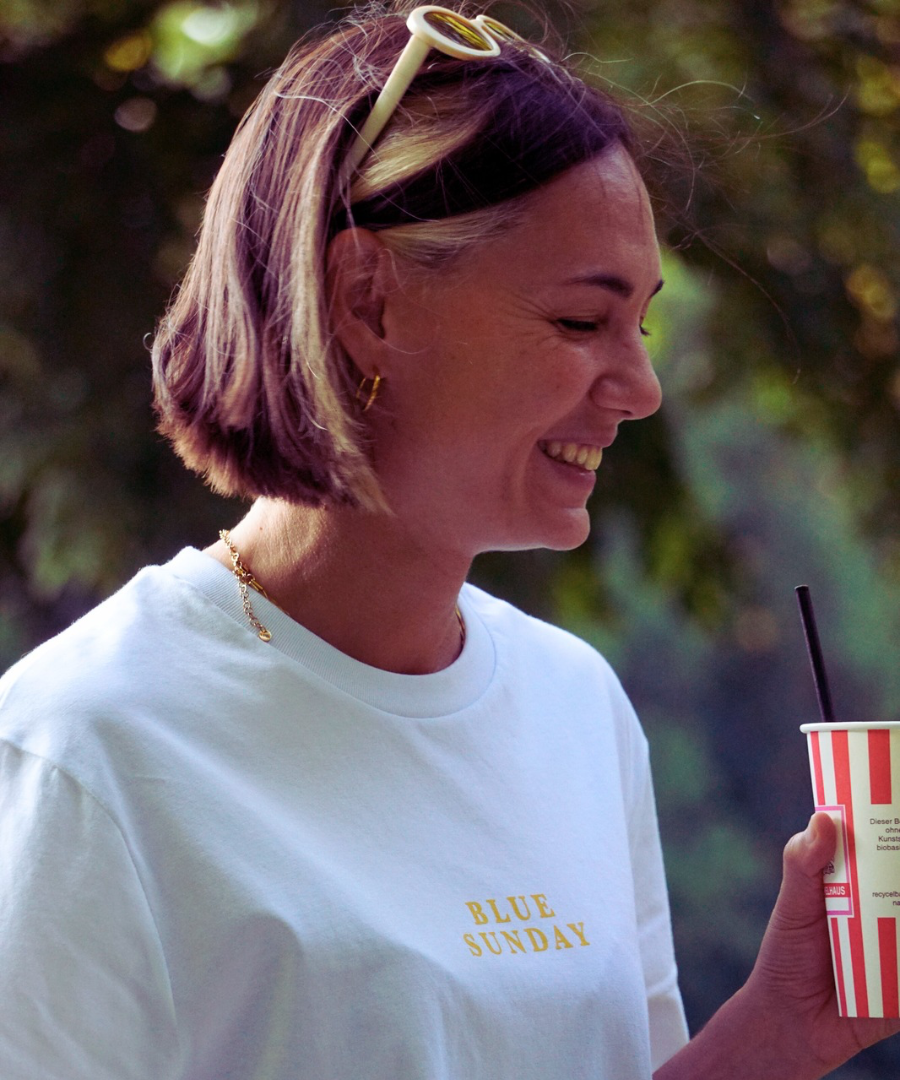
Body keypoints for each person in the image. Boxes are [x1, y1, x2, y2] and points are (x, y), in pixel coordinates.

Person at [0, 3, 896, 1078]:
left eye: (643, 324)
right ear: (367, 300)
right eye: (581, 321)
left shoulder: (575, 704)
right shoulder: (83, 752)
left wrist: (779, 1033)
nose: (642, 387)